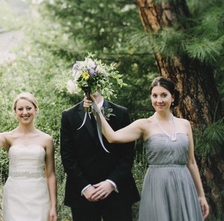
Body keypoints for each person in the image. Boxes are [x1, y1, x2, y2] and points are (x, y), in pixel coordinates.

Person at [88, 76, 209, 220]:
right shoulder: (144, 125)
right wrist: (96, 109)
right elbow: (112, 137)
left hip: (184, 185)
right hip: (158, 185)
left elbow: (191, 162)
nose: (159, 100)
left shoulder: (185, 124)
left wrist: (201, 195)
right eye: (155, 95)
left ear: (173, 97)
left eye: (164, 95)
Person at [0, 92, 58, 221]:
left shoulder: (46, 140)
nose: (24, 112)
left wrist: (53, 206)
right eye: (20, 109)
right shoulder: (8, 137)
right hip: (14, 195)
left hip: (39, 195)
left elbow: (51, 175)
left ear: (36, 109)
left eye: (28, 108)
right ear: (15, 112)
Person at [60, 88, 139, 221]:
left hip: (117, 192)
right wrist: (85, 187)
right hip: (83, 195)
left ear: (101, 82)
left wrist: (111, 183)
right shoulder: (69, 115)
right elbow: (68, 156)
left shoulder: (121, 113)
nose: (90, 87)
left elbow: (127, 154)